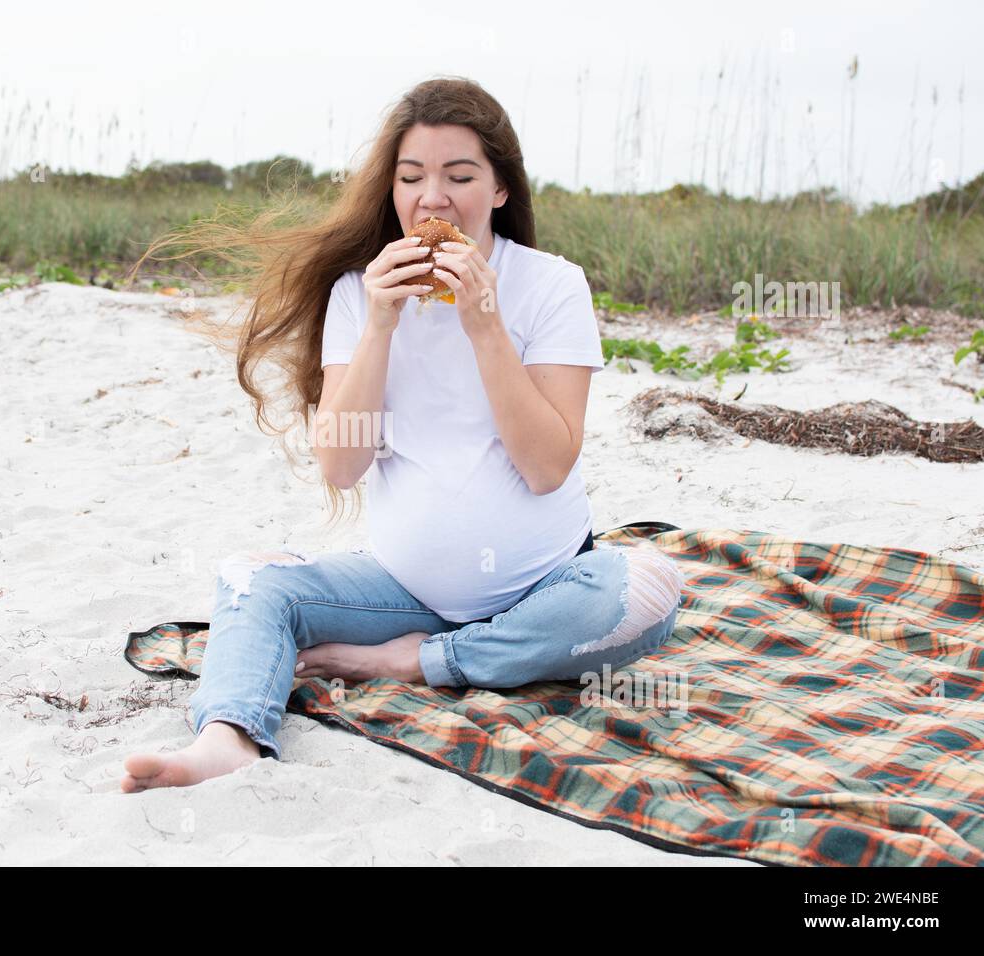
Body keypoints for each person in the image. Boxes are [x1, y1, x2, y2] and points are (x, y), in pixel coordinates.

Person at [121, 76, 684, 794]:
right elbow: (342, 465)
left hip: (542, 584)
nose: (433, 199)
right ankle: (229, 735)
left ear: (502, 189)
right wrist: (380, 325)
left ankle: (413, 661)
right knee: (249, 579)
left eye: (460, 176)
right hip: (403, 589)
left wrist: (485, 325)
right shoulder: (358, 294)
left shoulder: (551, 285)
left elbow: (547, 466)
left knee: (645, 590)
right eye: (411, 177)